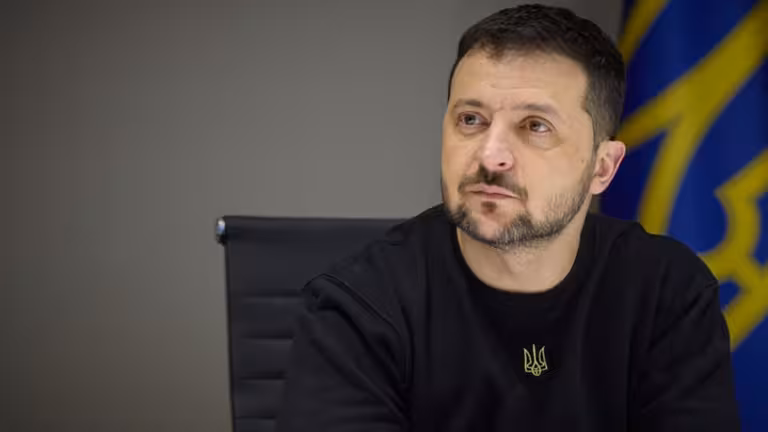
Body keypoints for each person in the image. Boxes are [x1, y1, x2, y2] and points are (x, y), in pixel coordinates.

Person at [276, 4, 740, 431]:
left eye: (535, 126)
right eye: (471, 120)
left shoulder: (667, 292)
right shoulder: (359, 307)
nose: (490, 155)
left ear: (603, 168)